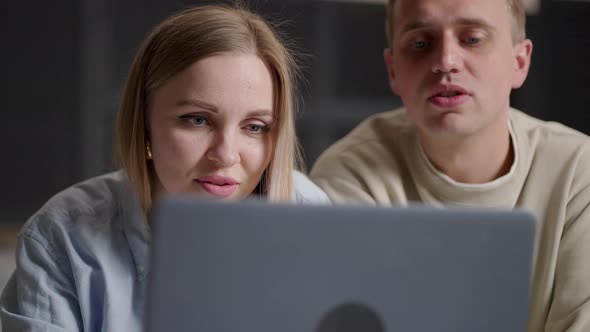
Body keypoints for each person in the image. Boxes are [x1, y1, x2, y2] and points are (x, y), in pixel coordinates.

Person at [0, 4, 328, 331]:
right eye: (197, 120)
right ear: (144, 121)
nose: (226, 155)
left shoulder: (312, 218)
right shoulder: (63, 238)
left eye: (255, 127)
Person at [311, 0, 590, 331]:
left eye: (472, 38)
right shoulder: (350, 175)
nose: (445, 61)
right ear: (393, 71)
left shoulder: (577, 172)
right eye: (419, 43)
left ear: (519, 61)